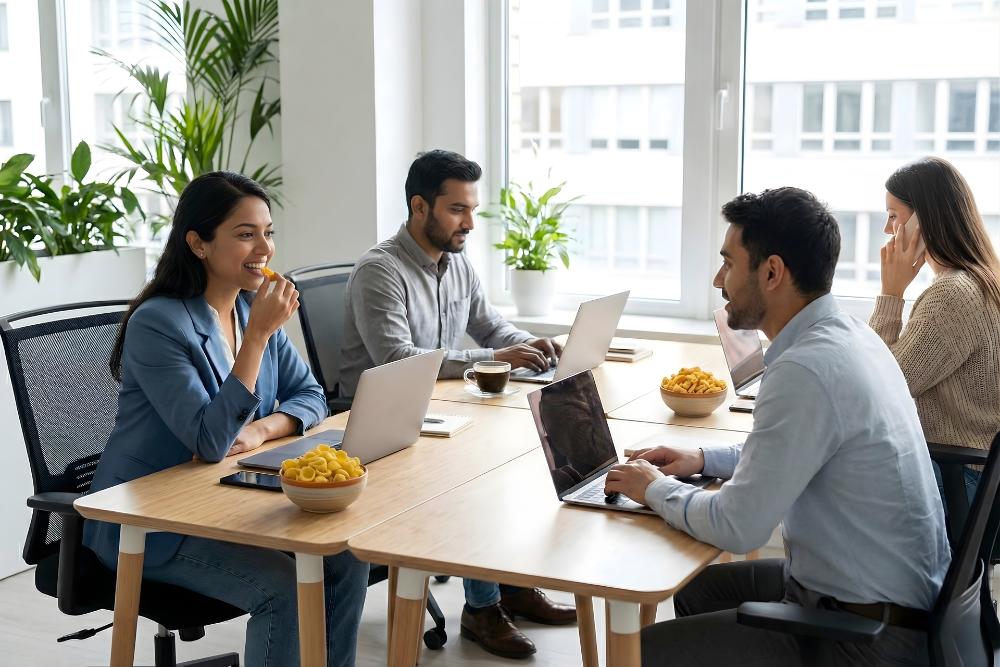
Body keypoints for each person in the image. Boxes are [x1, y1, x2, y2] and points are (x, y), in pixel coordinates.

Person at [604, 187, 951, 667]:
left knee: (639, 653)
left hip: (872, 636)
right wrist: (702, 460)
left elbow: (738, 526)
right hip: (898, 602)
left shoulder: (805, 369)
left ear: (771, 272)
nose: (717, 280)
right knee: (700, 592)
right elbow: (795, 449)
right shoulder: (849, 336)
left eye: (729, 263)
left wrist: (656, 489)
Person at [82, 172, 369, 667]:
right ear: (198, 242)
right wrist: (256, 337)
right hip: (153, 520)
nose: (265, 247)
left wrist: (259, 429)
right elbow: (210, 442)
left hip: (223, 497)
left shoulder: (245, 306)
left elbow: (311, 396)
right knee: (281, 591)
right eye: (245, 234)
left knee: (345, 558)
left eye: (269, 232)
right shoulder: (160, 323)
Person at [340, 149, 575, 658]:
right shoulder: (380, 271)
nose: (469, 222)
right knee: (479, 475)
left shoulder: (457, 262)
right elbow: (398, 358)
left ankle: (509, 587)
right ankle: (482, 609)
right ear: (419, 207)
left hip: (443, 409)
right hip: (381, 422)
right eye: (457, 210)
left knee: (521, 451)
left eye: (471, 209)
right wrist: (496, 356)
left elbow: (492, 326)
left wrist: (534, 347)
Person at [870, 157, 1000, 508]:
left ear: (923, 220)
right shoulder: (979, 278)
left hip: (964, 483)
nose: (887, 229)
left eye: (893, 215)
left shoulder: (953, 294)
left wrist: (890, 295)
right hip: (982, 479)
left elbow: (878, 389)